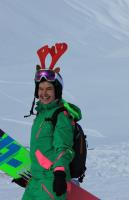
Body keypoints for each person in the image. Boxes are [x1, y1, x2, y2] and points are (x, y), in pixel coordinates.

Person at [19, 43, 81, 200]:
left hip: (51, 182)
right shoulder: (41, 115)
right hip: (35, 181)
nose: (44, 93)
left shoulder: (61, 115)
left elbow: (64, 148)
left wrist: (60, 173)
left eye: (49, 89)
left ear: (57, 91)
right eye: (41, 89)